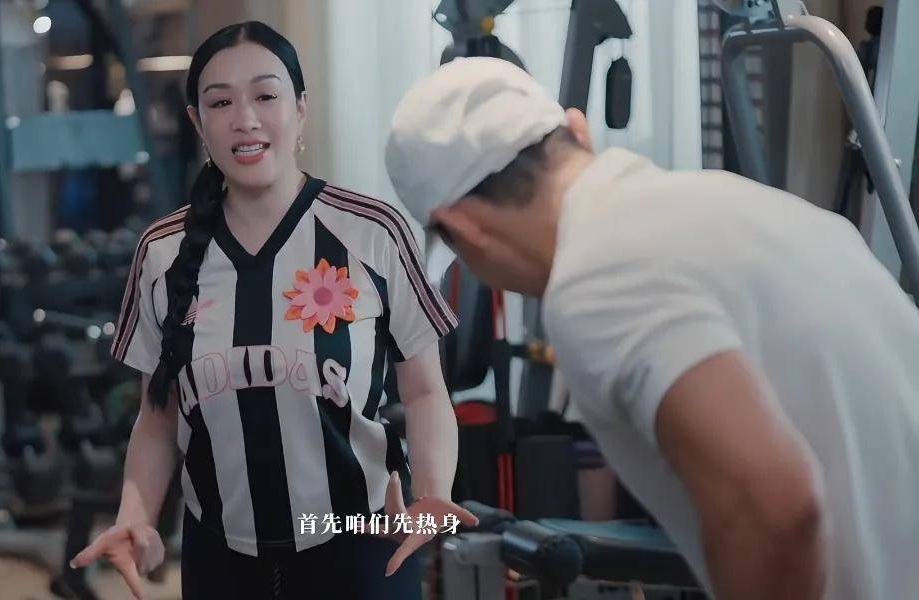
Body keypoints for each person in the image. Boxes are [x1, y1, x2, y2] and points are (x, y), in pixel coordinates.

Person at [383, 57, 919, 600]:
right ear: (578, 131)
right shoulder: (768, 210)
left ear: (463, 228)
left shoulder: (597, 275)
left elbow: (776, 507)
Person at [71, 22, 476, 600]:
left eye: (265, 95)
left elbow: (426, 391)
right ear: (197, 123)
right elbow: (157, 416)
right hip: (218, 555)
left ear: (300, 109)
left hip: (359, 543)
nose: (246, 119)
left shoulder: (372, 232)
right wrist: (135, 517)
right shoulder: (161, 252)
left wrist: (432, 494)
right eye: (221, 103)